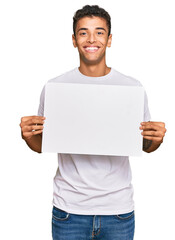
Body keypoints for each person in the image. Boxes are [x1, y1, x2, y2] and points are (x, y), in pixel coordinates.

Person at [20, 5, 166, 240]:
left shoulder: (131, 87)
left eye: (99, 32)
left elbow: (143, 145)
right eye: (83, 32)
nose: (91, 39)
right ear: (74, 40)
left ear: (109, 40)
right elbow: (43, 144)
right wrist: (28, 136)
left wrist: (156, 140)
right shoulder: (56, 87)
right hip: (69, 209)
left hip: (118, 210)